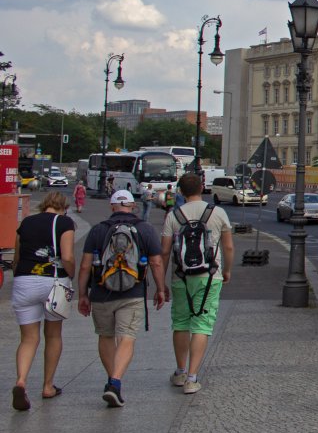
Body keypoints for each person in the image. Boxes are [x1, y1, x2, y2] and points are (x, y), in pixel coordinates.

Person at [77, 190, 166, 408]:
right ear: (133, 206)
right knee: (126, 337)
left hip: (100, 293)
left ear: (112, 206)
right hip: (132, 294)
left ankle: (112, 381)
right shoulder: (145, 229)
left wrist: (82, 295)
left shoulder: (98, 230)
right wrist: (160, 289)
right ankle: (115, 382)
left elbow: (85, 265)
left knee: (106, 336)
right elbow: (156, 262)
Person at [161, 172, 234, 395]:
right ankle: (192, 378)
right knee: (202, 325)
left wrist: (161, 283)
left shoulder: (174, 215)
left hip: (180, 277)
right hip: (210, 276)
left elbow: (164, 252)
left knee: (181, 323)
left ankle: (180, 371)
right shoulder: (217, 213)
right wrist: (227, 270)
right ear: (202, 187)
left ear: (181, 192)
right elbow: (228, 247)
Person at [10, 191, 75, 410]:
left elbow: (17, 257)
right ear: (63, 207)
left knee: (28, 338)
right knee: (53, 334)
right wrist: (72, 274)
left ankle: (21, 380)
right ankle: (48, 386)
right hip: (53, 282)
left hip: (24, 281)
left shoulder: (26, 222)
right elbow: (66, 256)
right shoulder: (64, 222)